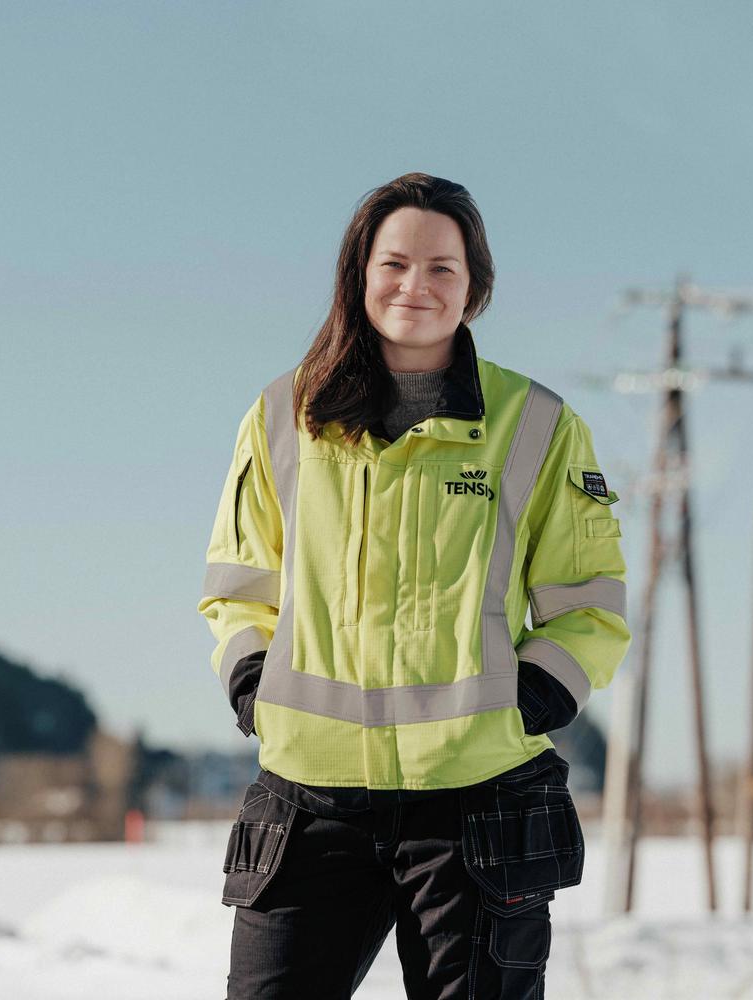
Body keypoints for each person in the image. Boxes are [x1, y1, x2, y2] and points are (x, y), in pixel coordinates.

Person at [197, 172, 631, 999]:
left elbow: (588, 599)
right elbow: (240, 580)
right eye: (395, 263)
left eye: (443, 268)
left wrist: (535, 693)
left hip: (475, 799)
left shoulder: (536, 423)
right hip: (311, 798)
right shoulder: (284, 414)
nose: (416, 286)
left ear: (475, 287)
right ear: (360, 275)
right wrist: (252, 678)